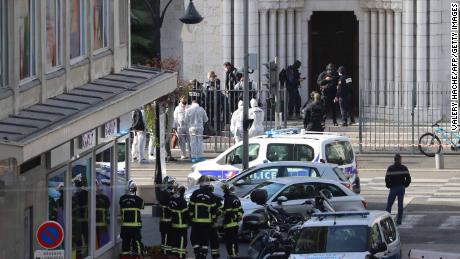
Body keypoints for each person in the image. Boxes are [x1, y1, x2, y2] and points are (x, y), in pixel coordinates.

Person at [189, 176, 221, 259]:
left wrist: (191, 218)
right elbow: (214, 211)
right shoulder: (211, 196)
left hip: (196, 222)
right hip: (207, 223)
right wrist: (213, 220)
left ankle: (197, 251)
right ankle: (203, 254)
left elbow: (190, 208)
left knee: (193, 238)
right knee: (205, 240)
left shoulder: (195, 193)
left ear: (200, 184)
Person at [119, 180, 144, 255]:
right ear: (135, 188)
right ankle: (138, 255)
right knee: (137, 242)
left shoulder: (122, 199)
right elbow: (142, 206)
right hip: (135, 226)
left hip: (125, 226)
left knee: (125, 243)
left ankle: (125, 256)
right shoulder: (139, 200)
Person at [385, 154, 411, 225]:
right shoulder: (404, 168)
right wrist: (405, 185)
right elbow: (408, 178)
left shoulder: (390, 168)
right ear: (400, 159)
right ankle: (399, 221)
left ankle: (387, 221)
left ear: (394, 159)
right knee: (400, 205)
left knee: (389, 204)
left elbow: (387, 179)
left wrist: (389, 185)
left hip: (393, 187)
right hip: (401, 188)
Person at [221, 184, 244, 257]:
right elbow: (241, 210)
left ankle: (232, 255)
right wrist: (239, 216)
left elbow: (228, 211)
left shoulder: (228, 199)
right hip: (235, 224)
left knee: (229, 241)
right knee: (234, 240)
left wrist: (234, 217)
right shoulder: (236, 198)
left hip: (229, 224)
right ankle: (235, 254)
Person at [157, 176, 177, 254]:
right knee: (166, 239)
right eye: (172, 183)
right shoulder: (166, 195)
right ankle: (165, 253)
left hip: (166, 222)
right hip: (167, 222)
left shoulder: (165, 193)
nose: (173, 185)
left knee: (168, 238)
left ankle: (167, 252)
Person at [168, 185, 189, 259]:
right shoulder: (182, 202)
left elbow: (170, 211)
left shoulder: (171, 200)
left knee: (175, 242)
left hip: (174, 225)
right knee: (182, 242)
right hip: (182, 226)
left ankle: (174, 255)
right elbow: (186, 214)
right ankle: (180, 256)